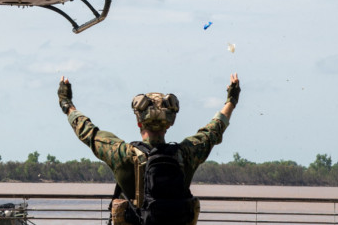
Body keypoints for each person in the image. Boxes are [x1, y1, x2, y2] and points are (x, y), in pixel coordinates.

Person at [57, 74, 240, 225]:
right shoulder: (187, 154)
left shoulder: (122, 155)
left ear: (139, 122)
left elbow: (88, 132)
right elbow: (213, 130)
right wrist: (231, 100)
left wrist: (66, 103)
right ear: (169, 124)